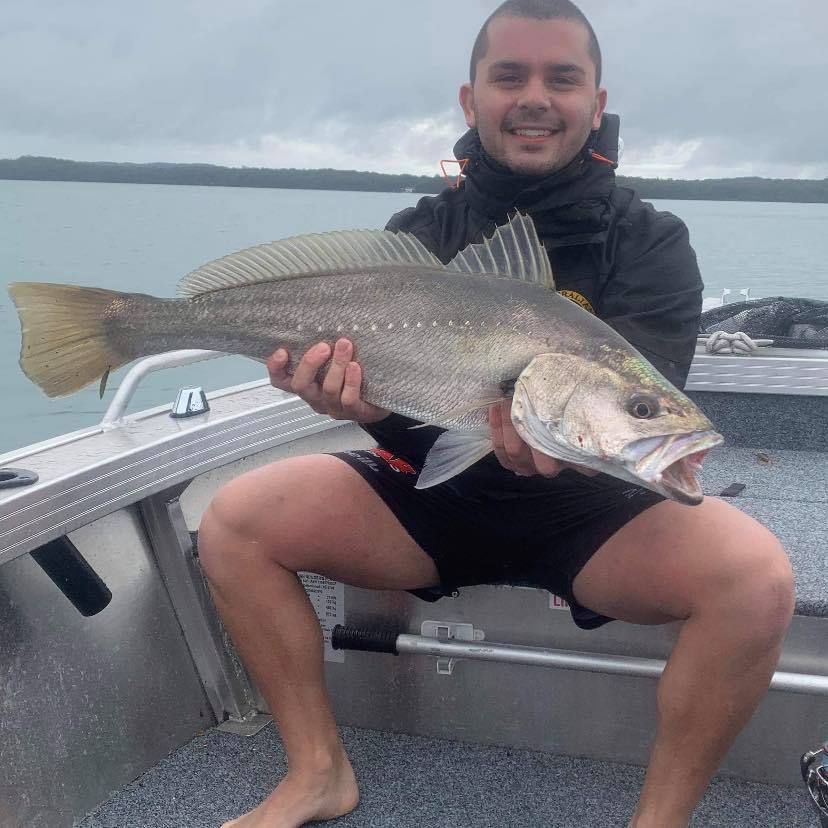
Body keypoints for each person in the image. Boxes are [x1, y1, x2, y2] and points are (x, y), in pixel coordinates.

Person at [197, 2, 796, 826]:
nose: (535, 97)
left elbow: (637, 409)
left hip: (595, 518)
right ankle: (317, 771)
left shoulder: (651, 242)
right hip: (435, 499)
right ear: (470, 97)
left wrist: (567, 439)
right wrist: (363, 407)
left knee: (757, 579)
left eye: (562, 78)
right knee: (235, 521)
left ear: (596, 101)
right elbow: (415, 431)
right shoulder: (419, 234)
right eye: (509, 76)